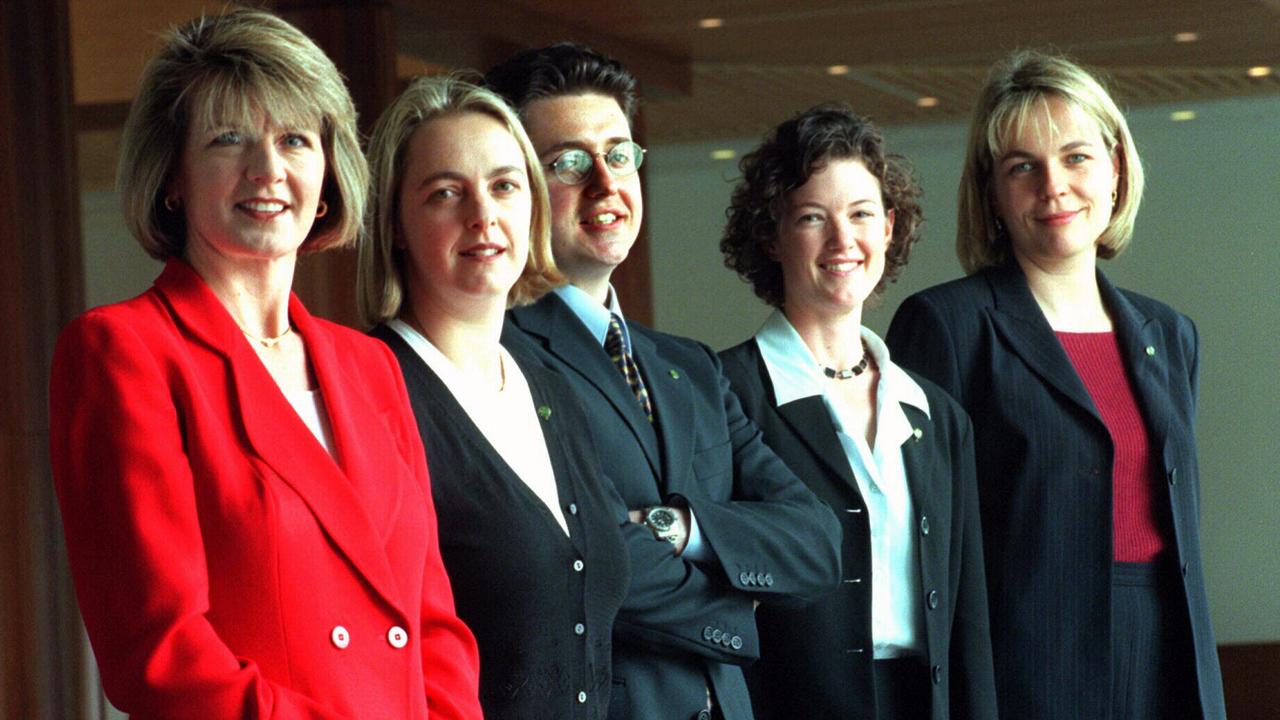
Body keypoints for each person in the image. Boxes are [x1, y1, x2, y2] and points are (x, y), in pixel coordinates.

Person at [47, 10, 481, 719]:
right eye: (228, 139)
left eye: (295, 140)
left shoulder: (370, 365)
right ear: (173, 177)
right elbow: (161, 656)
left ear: (328, 170)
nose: (269, 171)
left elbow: (432, 623)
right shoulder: (124, 352)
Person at [486, 43, 842, 720]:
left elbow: (816, 540)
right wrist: (740, 606)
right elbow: (592, 563)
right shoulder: (497, 355)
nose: (605, 184)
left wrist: (675, 527)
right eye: (568, 162)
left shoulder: (692, 368)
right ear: (514, 183)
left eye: (619, 154)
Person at [885, 50, 1227, 719]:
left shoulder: (1169, 334)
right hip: (1026, 679)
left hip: (1170, 666)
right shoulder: (947, 327)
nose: (1054, 186)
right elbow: (917, 547)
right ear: (992, 193)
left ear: (1116, 168)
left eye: (1076, 157)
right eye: (1023, 168)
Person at [358, 74, 630, 719]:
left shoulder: (553, 387)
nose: (483, 216)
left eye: (504, 186)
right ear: (395, 224)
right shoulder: (369, 387)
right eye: (446, 194)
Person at [717, 104, 996, 720]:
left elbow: (967, 618)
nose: (844, 241)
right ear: (771, 234)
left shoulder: (935, 415)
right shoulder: (723, 393)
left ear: (890, 227)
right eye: (814, 218)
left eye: (863, 214)